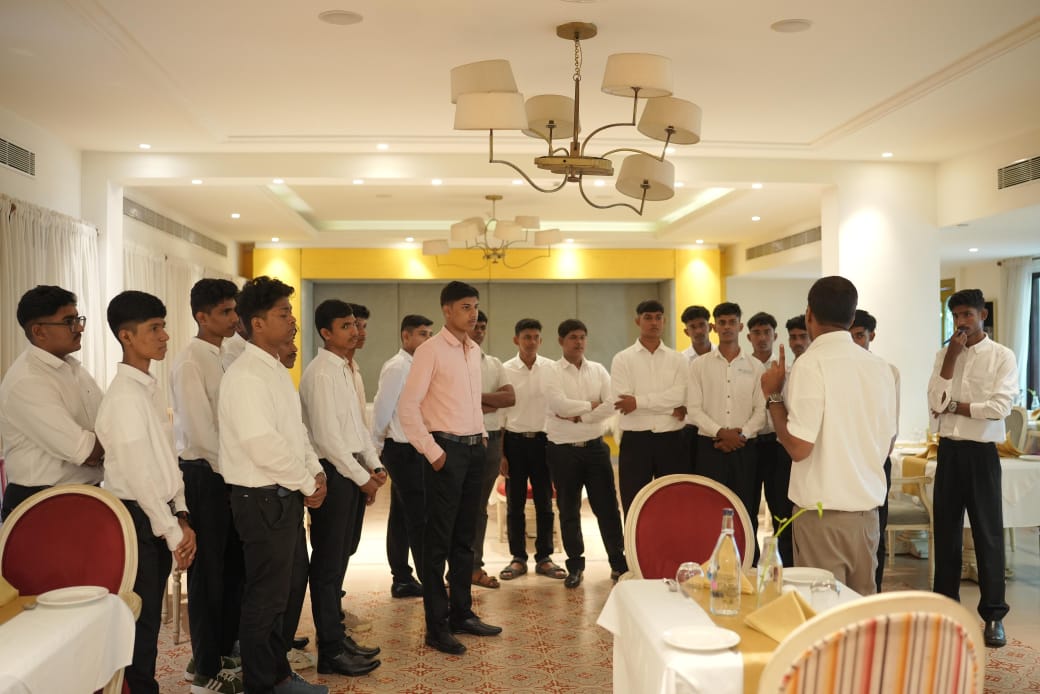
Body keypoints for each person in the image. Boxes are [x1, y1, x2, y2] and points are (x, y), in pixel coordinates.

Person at [218, 276, 330, 694]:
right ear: (258, 323)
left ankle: (278, 674)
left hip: (284, 496)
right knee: (265, 598)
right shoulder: (247, 375)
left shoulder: (274, 369)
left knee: (284, 593)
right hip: (261, 499)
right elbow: (261, 443)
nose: (293, 321)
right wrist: (305, 482)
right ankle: (262, 684)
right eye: (284, 314)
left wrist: (314, 473)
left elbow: (294, 433)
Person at [760, 276, 896, 597]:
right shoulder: (880, 368)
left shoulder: (811, 364)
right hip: (866, 515)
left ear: (809, 314)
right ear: (852, 317)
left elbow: (798, 447)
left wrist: (773, 396)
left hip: (823, 516)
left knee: (824, 614)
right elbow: (887, 441)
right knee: (860, 613)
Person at [96, 290, 197, 694]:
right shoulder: (124, 398)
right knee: (140, 622)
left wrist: (181, 513)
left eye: (163, 327)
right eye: (154, 328)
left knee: (149, 620)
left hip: (158, 512)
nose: (164, 336)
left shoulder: (147, 389)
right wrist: (173, 532)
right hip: (137, 517)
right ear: (126, 336)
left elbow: (167, 462)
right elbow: (140, 477)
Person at [398, 281, 502, 656]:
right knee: (438, 541)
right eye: (465, 307)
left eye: (475, 306)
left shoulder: (472, 349)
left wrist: (483, 435)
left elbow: (471, 401)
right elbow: (407, 407)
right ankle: (436, 626)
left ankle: (461, 613)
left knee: (465, 538)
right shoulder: (430, 350)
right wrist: (433, 452)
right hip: (446, 452)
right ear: (447, 310)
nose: (473, 314)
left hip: (474, 450)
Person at [927, 288, 1018, 648]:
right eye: (956, 316)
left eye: (967, 314)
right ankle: (946, 610)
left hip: (982, 455)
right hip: (949, 451)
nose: (961, 322)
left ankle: (994, 616)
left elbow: (999, 408)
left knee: (988, 534)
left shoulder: (1002, 356)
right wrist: (951, 358)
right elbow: (935, 402)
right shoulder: (944, 354)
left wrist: (957, 407)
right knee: (946, 533)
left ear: (983, 315)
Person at [298, 299, 383, 676]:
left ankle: (337, 636)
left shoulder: (347, 368)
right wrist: (363, 479)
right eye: (346, 326)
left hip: (351, 470)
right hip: (332, 473)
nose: (355, 331)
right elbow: (328, 440)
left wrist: (375, 465)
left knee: (342, 557)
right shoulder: (321, 373)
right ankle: (330, 650)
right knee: (328, 564)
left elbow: (359, 428)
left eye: (355, 325)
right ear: (326, 333)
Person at [170, 278, 245, 694]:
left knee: (232, 568)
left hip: (228, 474)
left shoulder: (226, 355)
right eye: (225, 312)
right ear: (202, 316)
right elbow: (201, 433)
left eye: (234, 310)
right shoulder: (190, 362)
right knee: (207, 574)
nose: (234, 318)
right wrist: (234, 472)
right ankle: (203, 669)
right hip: (204, 474)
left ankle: (221, 651)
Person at [0, 285, 104, 520]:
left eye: (78, 319)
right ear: (39, 331)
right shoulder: (27, 380)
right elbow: (86, 451)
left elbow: (109, 422)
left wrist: (103, 441)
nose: (79, 328)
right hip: (42, 504)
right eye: (69, 321)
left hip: (84, 496)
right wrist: (106, 443)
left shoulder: (75, 369)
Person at [542, 319, 628, 588]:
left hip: (595, 449)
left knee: (608, 508)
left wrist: (581, 416)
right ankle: (575, 567)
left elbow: (612, 403)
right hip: (562, 450)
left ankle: (618, 563)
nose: (578, 342)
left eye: (582, 337)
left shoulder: (598, 370)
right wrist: (592, 405)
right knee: (569, 510)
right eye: (572, 337)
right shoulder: (551, 371)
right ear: (561, 341)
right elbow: (558, 405)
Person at [687, 303, 765, 561]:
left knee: (746, 509)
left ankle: (748, 563)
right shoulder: (699, 366)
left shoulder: (756, 367)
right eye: (722, 322)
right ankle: (710, 563)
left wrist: (740, 436)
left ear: (740, 326)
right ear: (714, 327)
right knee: (709, 509)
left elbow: (761, 410)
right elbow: (694, 409)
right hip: (710, 448)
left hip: (745, 448)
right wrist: (721, 432)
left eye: (732, 322)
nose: (727, 327)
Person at [373, 314, 436, 598]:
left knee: (400, 517)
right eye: (422, 334)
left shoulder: (419, 365)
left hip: (415, 448)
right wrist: (375, 451)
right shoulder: (398, 366)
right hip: (402, 450)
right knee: (419, 517)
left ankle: (401, 578)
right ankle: (429, 581)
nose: (428, 340)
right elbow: (382, 410)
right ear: (406, 336)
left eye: (430, 334)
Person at [610, 299, 689, 515]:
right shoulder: (622, 359)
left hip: (672, 440)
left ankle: (672, 539)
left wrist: (638, 402)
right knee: (635, 504)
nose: (654, 322)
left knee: (674, 502)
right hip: (636, 441)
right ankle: (634, 540)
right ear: (638, 321)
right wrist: (670, 409)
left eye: (658, 318)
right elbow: (621, 400)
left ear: (664, 321)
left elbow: (681, 395)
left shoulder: (678, 359)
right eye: (648, 318)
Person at [500, 318, 564, 581]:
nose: (531, 341)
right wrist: (501, 454)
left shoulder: (552, 368)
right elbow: (501, 414)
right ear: (516, 340)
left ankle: (544, 557)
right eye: (526, 337)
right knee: (514, 504)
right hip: (513, 443)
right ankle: (518, 558)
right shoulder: (505, 370)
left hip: (543, 443)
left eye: (536, 337)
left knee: (545, 503)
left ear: (541, 340)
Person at [850, 308, 901, 592]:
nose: (855, 342)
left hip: (875, 461)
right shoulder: (837, 371)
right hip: (845, 459)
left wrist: (872, 458)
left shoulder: (887, 371)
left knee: (876, 530)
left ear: (872, 336)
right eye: (850, 336)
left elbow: (890, 427)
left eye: (860, 336)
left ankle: (874, 592)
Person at [467, 311, 514, 589]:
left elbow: (509, 398)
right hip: (463, 440)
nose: (479, 331)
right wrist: (489, 402)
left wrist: (474, 399)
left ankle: (474, 567)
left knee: (479, 508)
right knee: (458, 507)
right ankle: (454, 568)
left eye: (483, 327)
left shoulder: (494, 363)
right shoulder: (450, 361)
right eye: (475, 326)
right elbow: (452, 402)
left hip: (492, 440)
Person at [746, 311, 793, 566]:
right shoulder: (742, 367)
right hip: (750, 443)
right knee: (747, 507)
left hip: (778, 445)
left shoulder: (786, 369)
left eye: (767, 332)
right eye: (757, 333)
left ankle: (785, 567)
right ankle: (750, 565)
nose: (762, 337)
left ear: (775, 336)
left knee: (781, 510)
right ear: (749, 337)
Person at [679, 305, 713, 472]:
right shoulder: (680, 360)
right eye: (693, 327)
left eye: (702, 325)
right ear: (687, 332)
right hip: (690, 429)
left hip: (718, 426)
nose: (699, 331)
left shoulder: (723, 355)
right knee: (691, 476)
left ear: (710, 327)